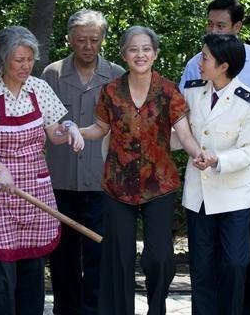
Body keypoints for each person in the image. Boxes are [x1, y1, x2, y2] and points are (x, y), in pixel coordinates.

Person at [79, 26, 207, 315]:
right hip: (117, 185)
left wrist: (199, 154)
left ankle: (156, 307)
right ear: (124, 54)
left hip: (158, 184)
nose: (140, 54)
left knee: (160, 257)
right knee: (119, 259)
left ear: (156, 53)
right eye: (133, 49)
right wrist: (75, 132)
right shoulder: (110, 91)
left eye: (146, 49)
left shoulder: (168, 90)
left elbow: (184, 134)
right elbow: (100, 128)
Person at [0, 26, 84, 315]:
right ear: (2, 60)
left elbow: (54, 133)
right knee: (1, 274)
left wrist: (71, 129)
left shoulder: (39, 89)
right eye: (19, 60)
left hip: (35, 186)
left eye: (30, 59)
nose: (26, 66)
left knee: (32, 271)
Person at [178, 0, 250, 314]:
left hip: (239, 176)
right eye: (210, 24)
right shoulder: (194, 70)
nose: (213, 31)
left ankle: (242, 307)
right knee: (202, 261)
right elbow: (180, 122)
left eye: (221, 25)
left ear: (238, 27)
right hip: (200, 181)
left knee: (238, 257)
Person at [41, 9, 124, 315]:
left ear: (102, 39)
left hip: (102, 181)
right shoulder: (51, 74)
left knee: (98, 254)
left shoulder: (116, 75)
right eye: (81, 40)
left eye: (94, 39)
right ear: (69, 40)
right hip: (60, 180)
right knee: (62, 257)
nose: (88, 46)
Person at [182, 33, 250, 315]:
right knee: (201, 265)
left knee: (234, 262)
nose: (199, 62)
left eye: (205, 57)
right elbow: (179, 133)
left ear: (224, 66)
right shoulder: (192, 90)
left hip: (234, 196)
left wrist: (217, 159)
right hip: (199, 194)